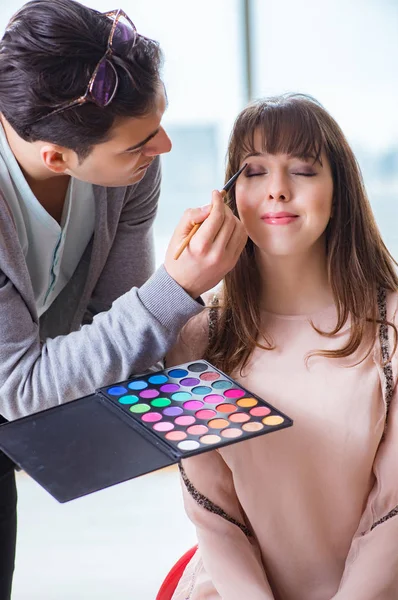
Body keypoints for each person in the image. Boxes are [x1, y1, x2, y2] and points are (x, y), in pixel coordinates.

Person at [0, 0, 247, 596]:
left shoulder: (129, 172)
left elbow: (122, 337)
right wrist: (177, 288)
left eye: (158, 123)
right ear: (56, 157)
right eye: (138, 143)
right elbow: (22, 390)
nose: (161, 146)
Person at [167, 93, 398, 600]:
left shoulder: (392, 327)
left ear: (340, 190)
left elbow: (394, 511)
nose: (276, 190)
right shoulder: (197, 337)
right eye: (253, 171)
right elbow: (213, 512)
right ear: (229, 194)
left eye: (303, 170)